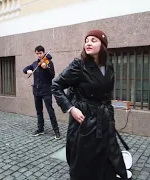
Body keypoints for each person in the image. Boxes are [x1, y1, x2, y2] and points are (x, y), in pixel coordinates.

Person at [51, 30, 129, 180]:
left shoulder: (109, 66)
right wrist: (71, 109)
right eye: (87, 40)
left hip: (104, 119)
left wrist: (110, 119)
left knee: (107, 159)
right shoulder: (79, 65)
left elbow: (106, 96)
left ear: (103, 45)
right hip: (84, 119)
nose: (88, 43)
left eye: (94, 40)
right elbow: (56, 86)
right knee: (83, 162)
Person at [23, 45, 61, 140]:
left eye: (40, 53)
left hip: (46, 91)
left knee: (50, 111)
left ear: (44, 52)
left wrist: (46, 68)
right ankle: (40, 129)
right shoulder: (35, 64)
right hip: (36, 90)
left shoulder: (49, 63)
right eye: (37, 54)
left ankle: (56, 131)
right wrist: (28, 70)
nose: (39, 55)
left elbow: (52, 75)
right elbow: (24, 69)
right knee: (39, 111)